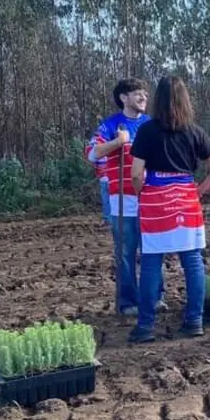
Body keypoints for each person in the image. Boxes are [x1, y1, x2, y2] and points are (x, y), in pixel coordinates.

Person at [128, 74, 210, 343]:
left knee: (151, 262)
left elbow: (136, 174)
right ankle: (194, 321)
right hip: (186, 199)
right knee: (193, 262)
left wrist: (142, 193)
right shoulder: (195, 132)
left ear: (157, 100)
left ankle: (145, 327)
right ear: (185, 100)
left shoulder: (146, 131)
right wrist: (199, 191)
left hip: (156, 200)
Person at [86, 78, 165, 316]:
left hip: (150, 197)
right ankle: (128, 302)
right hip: (122, 200)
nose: (143, 98)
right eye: (138, 94)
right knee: (126, 253)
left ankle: (155, 297)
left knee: (153, 249)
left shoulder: (152, 124)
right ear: (123, 97)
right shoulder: (111, 125)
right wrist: (118, 142)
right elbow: (92, 153)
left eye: (145, 95)